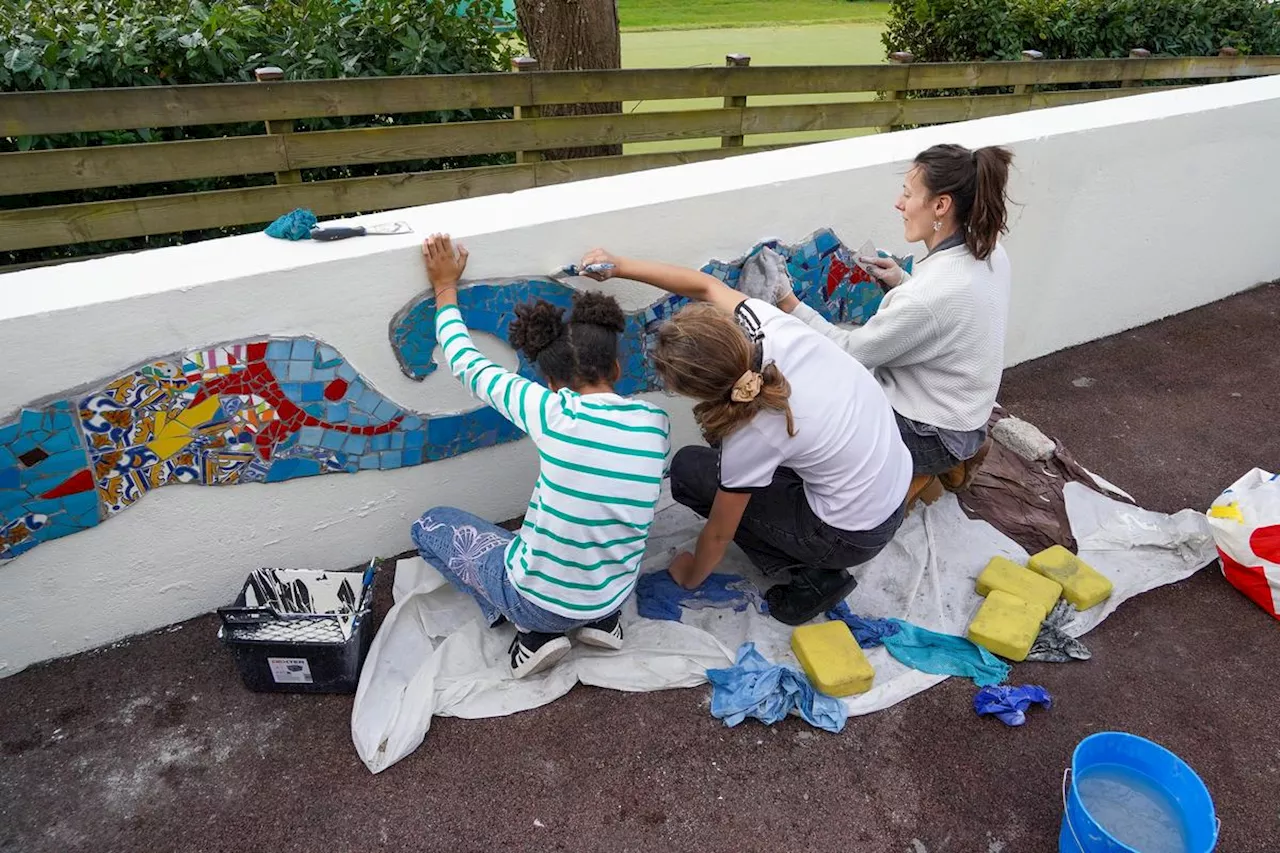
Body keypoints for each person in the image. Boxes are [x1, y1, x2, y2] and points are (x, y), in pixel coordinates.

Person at [578, 250, 912, 625]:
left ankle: (811, 574)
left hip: (852, 535)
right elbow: (705, 285)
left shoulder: (752, 433)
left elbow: (720, 532)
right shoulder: (768, 324)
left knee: (690, 471)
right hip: (894, 484)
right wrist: (620, 266)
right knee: (732, 465)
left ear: (698, 392)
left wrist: (689, 574)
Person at [412, 234, 671, 678]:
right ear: (615, 369)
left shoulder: (551, 412)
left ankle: (532, 634)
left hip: (536, 603)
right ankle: (602, 623)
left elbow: (465, 361)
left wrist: (444, 287)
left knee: (429, 524)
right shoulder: (655, 424)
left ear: (551, 383)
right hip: (614, 594)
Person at [777, 143, 1014, 493]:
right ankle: (951, 465)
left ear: (941, 205)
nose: (898, 204)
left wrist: (788, 303)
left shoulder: (929, 295)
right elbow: (948, 309)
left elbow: (849, 353)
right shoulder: (990, 250)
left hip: (933, 435)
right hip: (967, 417)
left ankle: (911, 480)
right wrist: (901, 280)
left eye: (907, 194)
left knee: (809, 428)